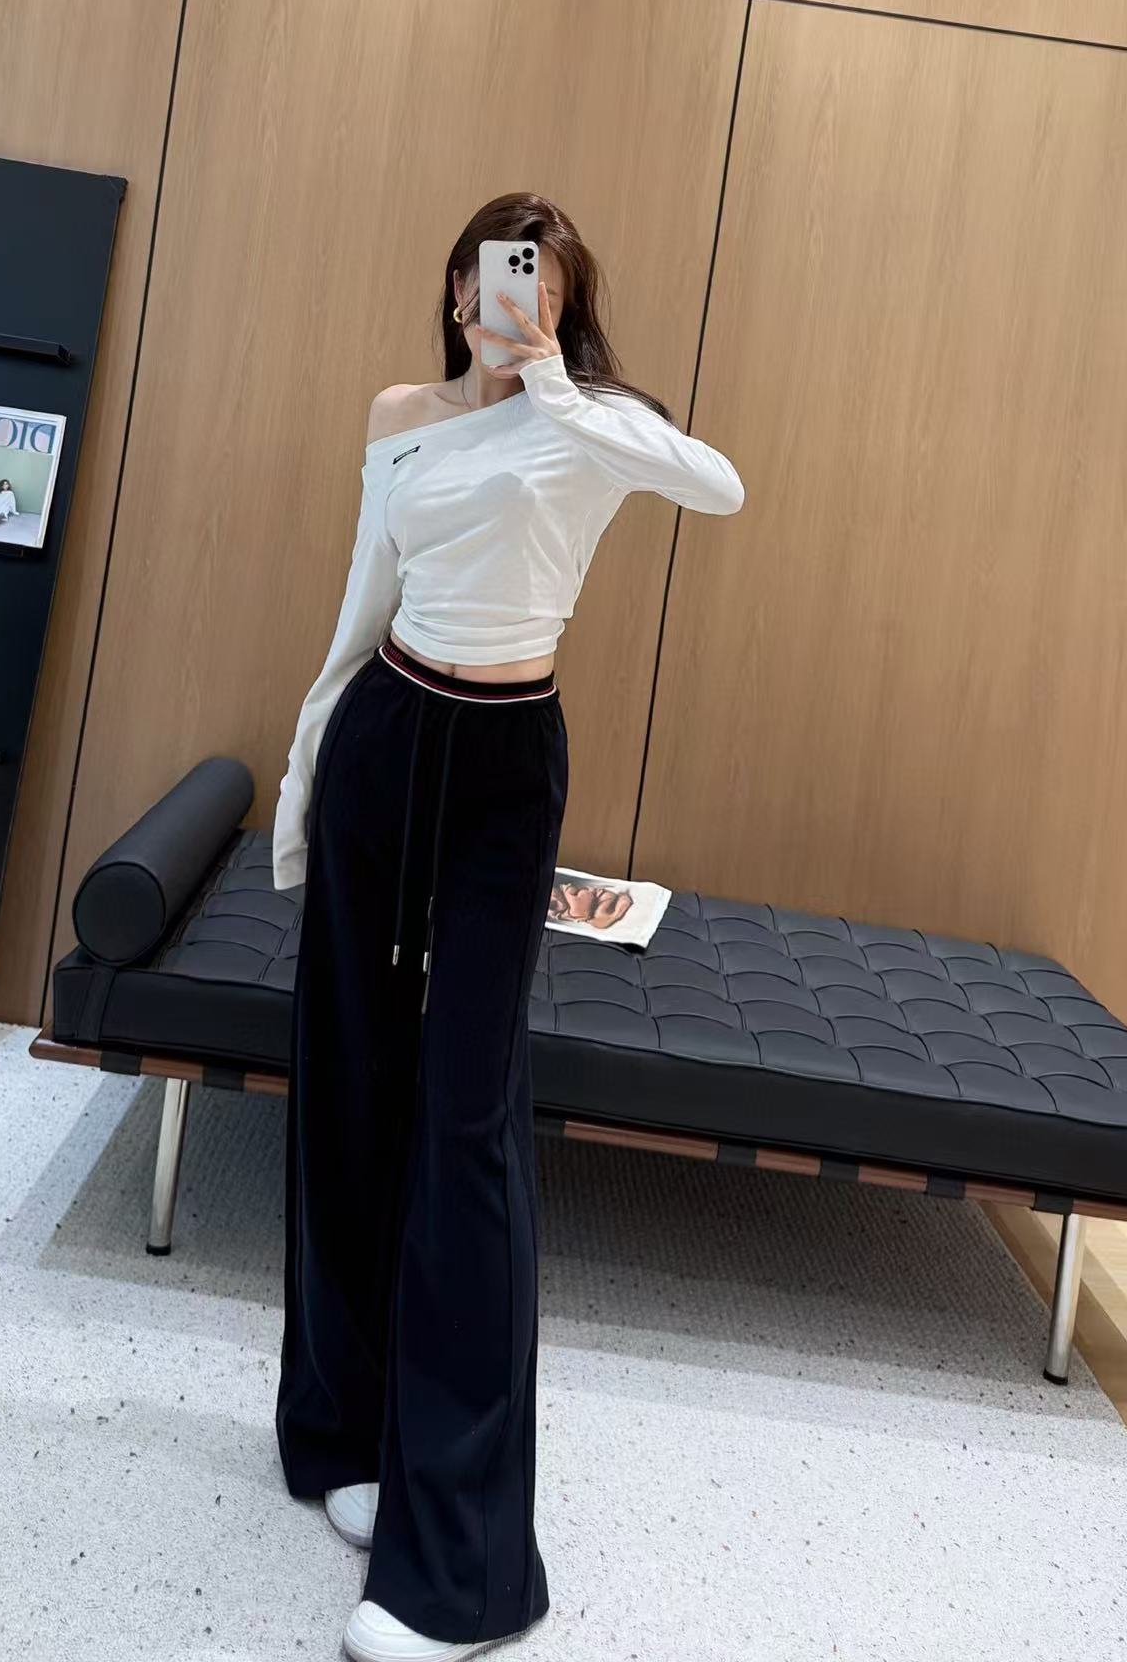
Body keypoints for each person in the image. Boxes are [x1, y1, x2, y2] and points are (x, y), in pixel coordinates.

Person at [271, 191, 745, 1662]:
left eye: (536, 283)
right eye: (490, 277)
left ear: (564, 300)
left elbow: (721, 487)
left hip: (504, 767)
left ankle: (461, 1576)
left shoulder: (597, 426)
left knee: (465, 1127)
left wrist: (551, 383)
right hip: (384, 742)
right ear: (456, 284)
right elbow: (364, 602)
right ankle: (341, 1431)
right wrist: (302, 779)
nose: (506, 299)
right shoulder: (402, 415)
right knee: (349, 1087)